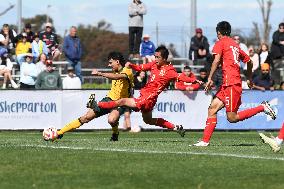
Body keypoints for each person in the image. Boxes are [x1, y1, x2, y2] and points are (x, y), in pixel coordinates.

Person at [192, 21, 276, 147]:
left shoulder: (221, 42)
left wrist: (209, 78)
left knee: (232, 118)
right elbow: (249, 62)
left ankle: (262, 107)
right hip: (228, 84)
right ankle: (205, 141)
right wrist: (249, 78)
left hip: (232, 83)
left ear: (218, 32)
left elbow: (215, 61)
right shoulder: (235, 45)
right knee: (212, 109)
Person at [95, 46, 202, 136]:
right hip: (147, 97)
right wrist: (131, 65)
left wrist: (194, 80)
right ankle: (175, 127)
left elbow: (182, 77)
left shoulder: (170, 71)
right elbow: (140, 67)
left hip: (149, 98)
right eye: (155, 56)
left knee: (122, 101)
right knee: (148, 120)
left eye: (158, 57)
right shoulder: (154, 65)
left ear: (164, 58)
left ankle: (98, 105)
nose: (155, 59)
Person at [48, 52, 134, 141]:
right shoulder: (115, 70)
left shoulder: (127, 71)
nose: (109, 65)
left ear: (117, 61)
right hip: (109, 99)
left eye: (110, 62)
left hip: (121, 101)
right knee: (86, 117)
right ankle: (59, 132)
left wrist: (100, 73)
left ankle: (115, 133)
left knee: (111, 120)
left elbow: (117, 77)